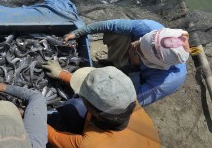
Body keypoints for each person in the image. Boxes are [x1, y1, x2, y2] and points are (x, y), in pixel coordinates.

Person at [46, 66, 162, 148]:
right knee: (73, 106)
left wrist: (30, 113)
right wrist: (62, 74)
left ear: (95, 112)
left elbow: (52, 137)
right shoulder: (128, 102)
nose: (81, 96)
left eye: (84, 97)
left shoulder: (90, 147)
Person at [61, 19, 190, 106]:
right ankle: (112, 63)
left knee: (114, 102)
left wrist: (134, 67)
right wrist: (78, 32)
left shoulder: (169, 80)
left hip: (137, 82)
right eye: (139, 42)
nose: (134, 46)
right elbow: (110, 25)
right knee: (121, 34)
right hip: (135, 64)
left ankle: (119, 72)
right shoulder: (148, 27)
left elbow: (133, 101)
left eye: (139, 51)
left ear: (156, 64)